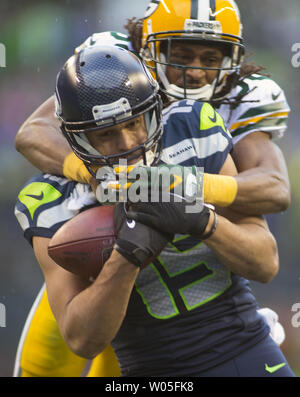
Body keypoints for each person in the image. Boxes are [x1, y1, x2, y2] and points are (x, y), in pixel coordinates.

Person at [13, 0, 289, 377]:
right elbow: (32, 133)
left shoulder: (204, 120)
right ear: (146, 50)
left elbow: (274, 193)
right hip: (135, 338)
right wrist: (102, 183)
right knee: (45, 364)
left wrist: (187, 195)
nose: (195, 71)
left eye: (210, 57)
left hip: (233, 337)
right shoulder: (109, 64)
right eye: (181, 54)